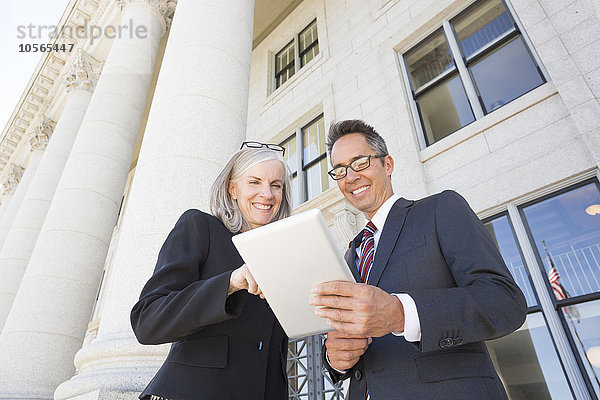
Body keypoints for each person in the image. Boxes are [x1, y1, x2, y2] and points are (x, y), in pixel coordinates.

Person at [310, 120, 527, 399]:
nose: (350, 177)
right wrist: (335, 359)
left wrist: (402, 314)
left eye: (360, 162)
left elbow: (504, 302)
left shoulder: (439, 209)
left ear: (387, 165)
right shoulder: (351, 253)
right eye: (340, 170)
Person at [131, 143, 293, 400]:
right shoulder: (200, 227)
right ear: (232, 189)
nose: (267, 193)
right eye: (254, 182)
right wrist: (229, 283)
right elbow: (147, 321)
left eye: (276, 185)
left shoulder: (284, 257)